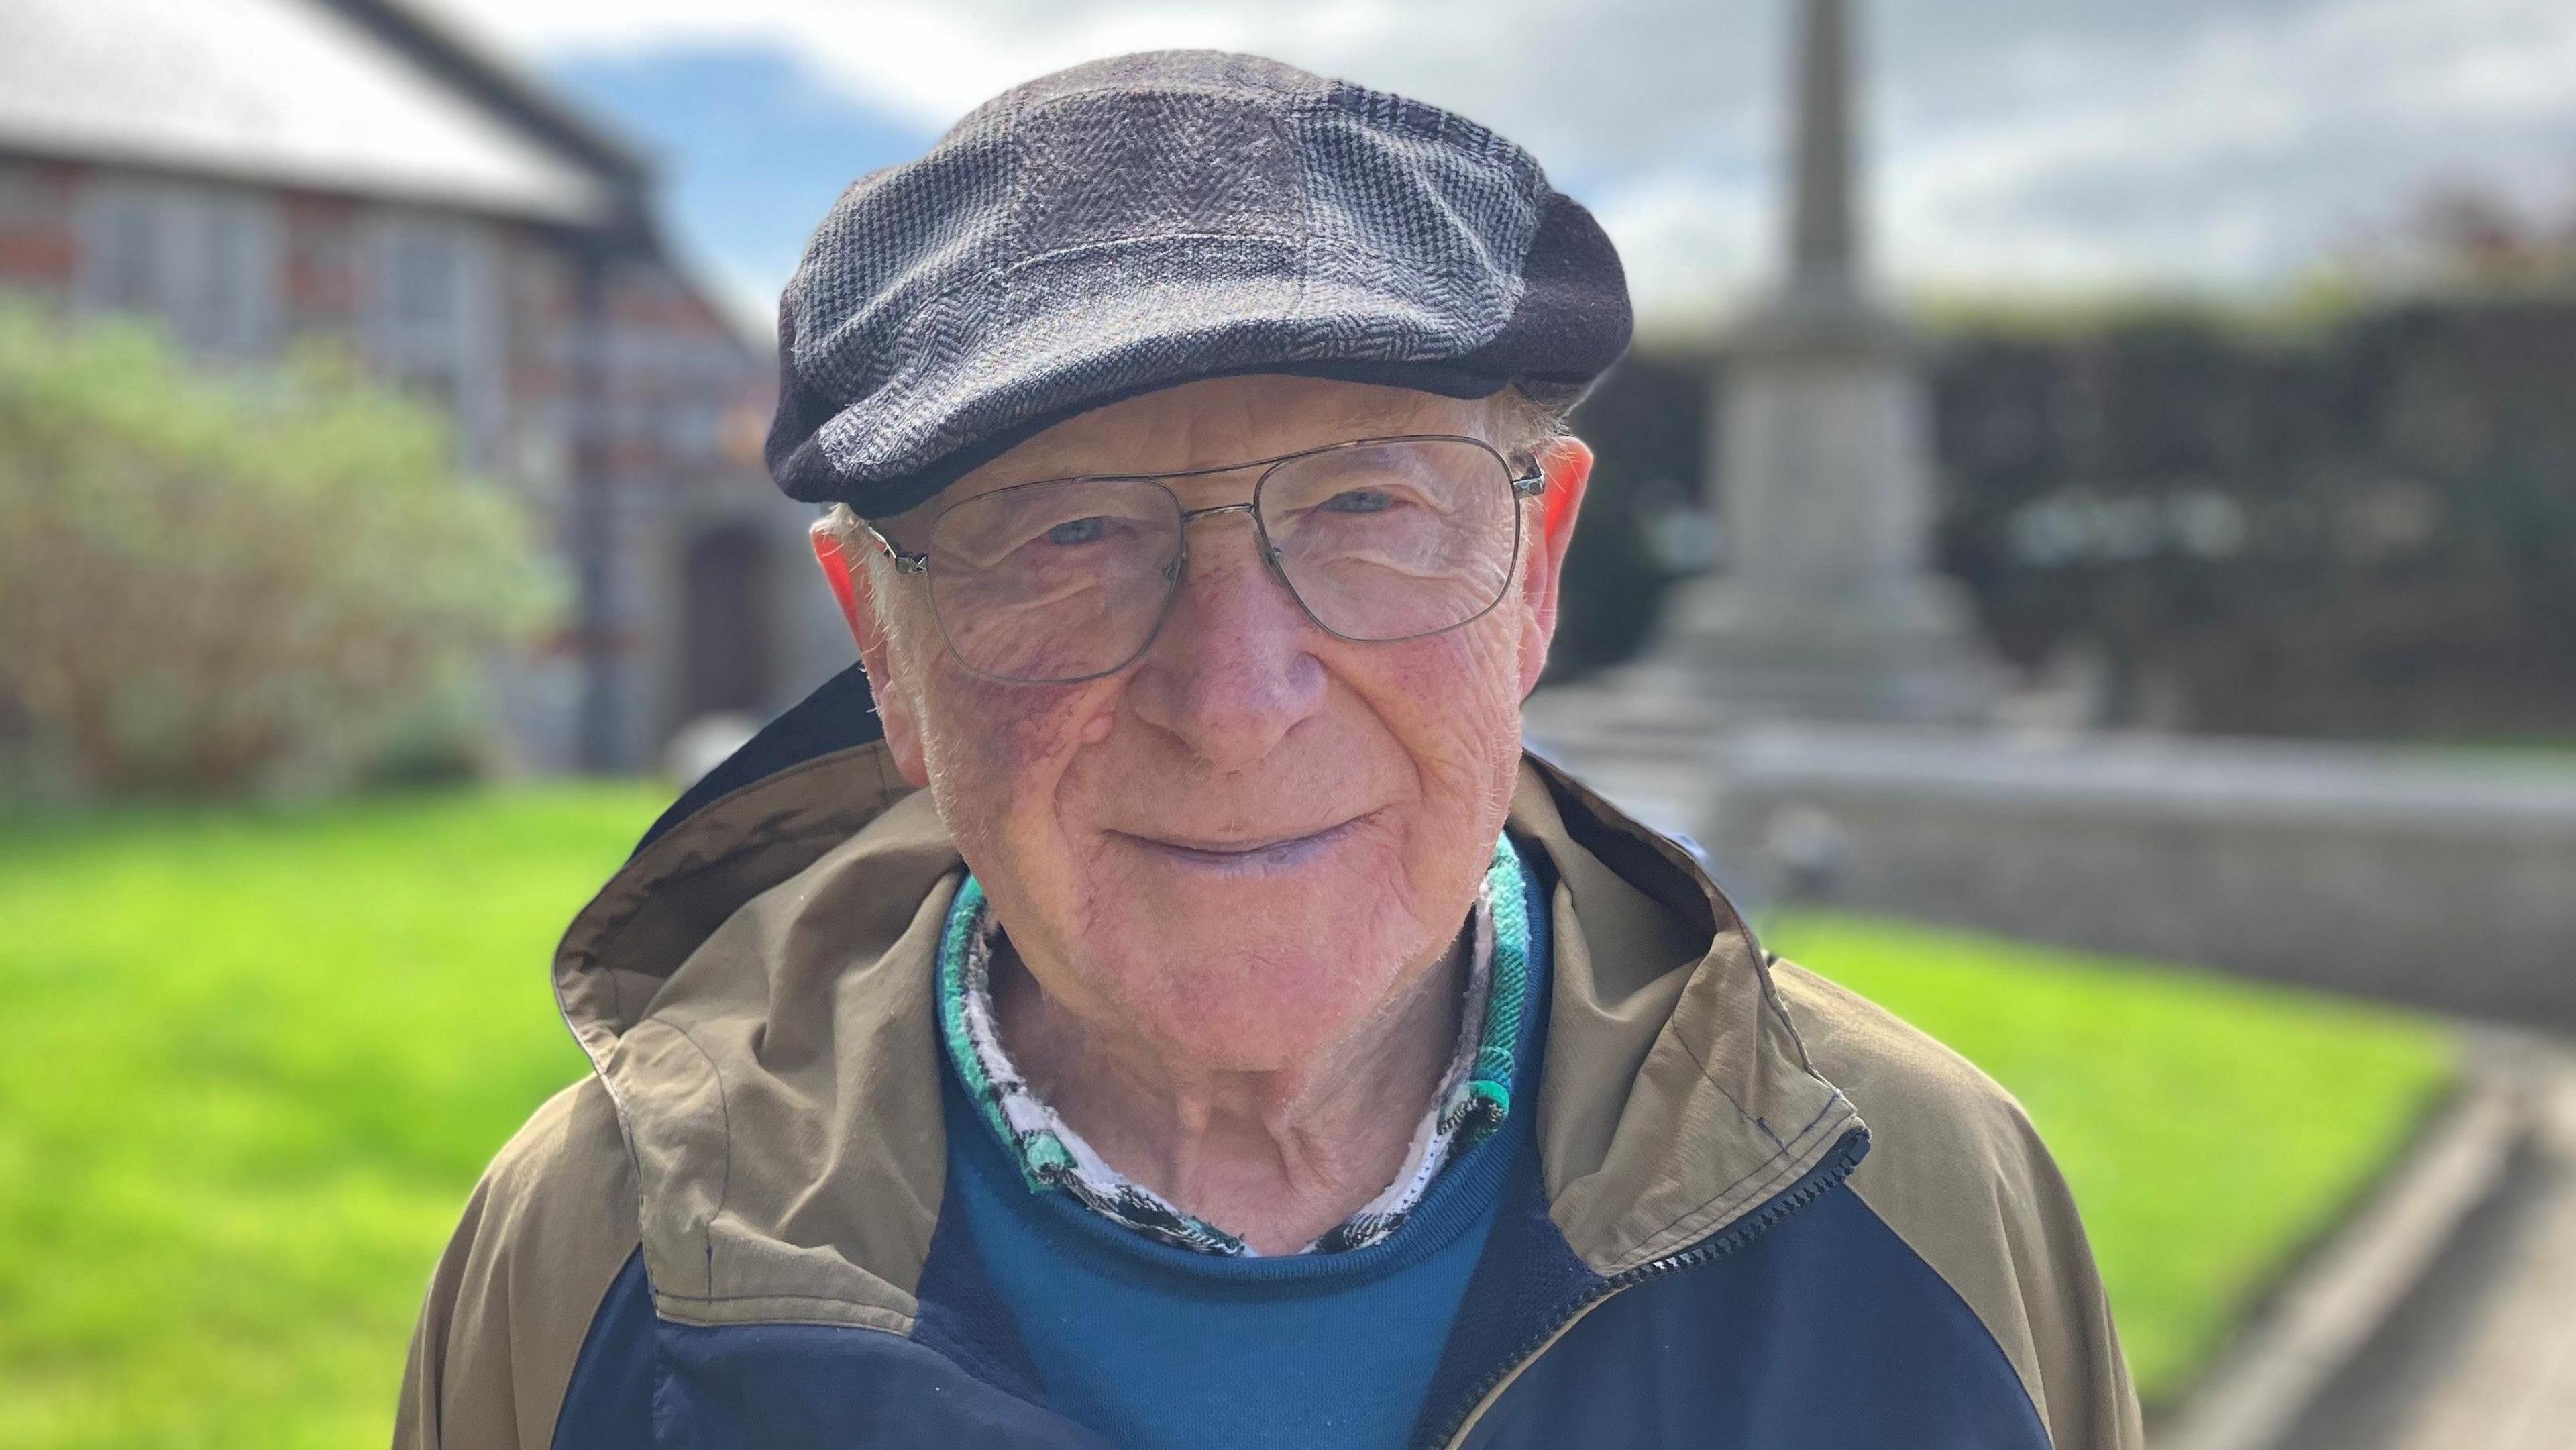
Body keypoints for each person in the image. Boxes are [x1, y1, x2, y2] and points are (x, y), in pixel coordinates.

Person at [396, 50, 2141, 1450]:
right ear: (883, 645)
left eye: (1371, 502)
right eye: (1068, 535)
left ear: (1535, 573)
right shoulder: (595, 1253)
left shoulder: (1918, 1201)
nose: (1234, 702)